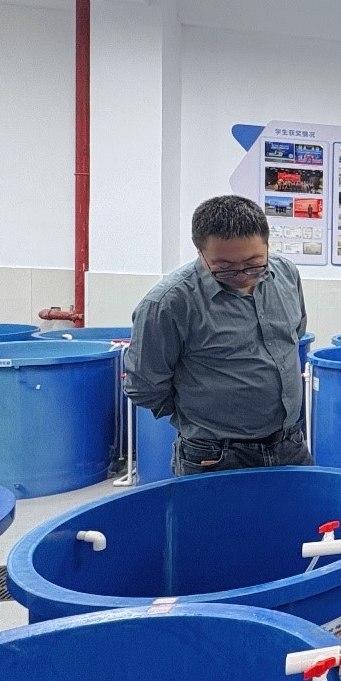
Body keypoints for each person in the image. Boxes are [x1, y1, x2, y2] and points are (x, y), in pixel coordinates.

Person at [125, 195, 311, 475]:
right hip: (214, 455)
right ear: (200, 252)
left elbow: (295, 335)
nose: (242, 275)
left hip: (289, 444)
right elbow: (144, 386)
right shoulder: (169, 303)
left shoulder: (286, 274)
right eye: (225, 267)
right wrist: (202, 413)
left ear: (267, 245)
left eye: (254, 262)